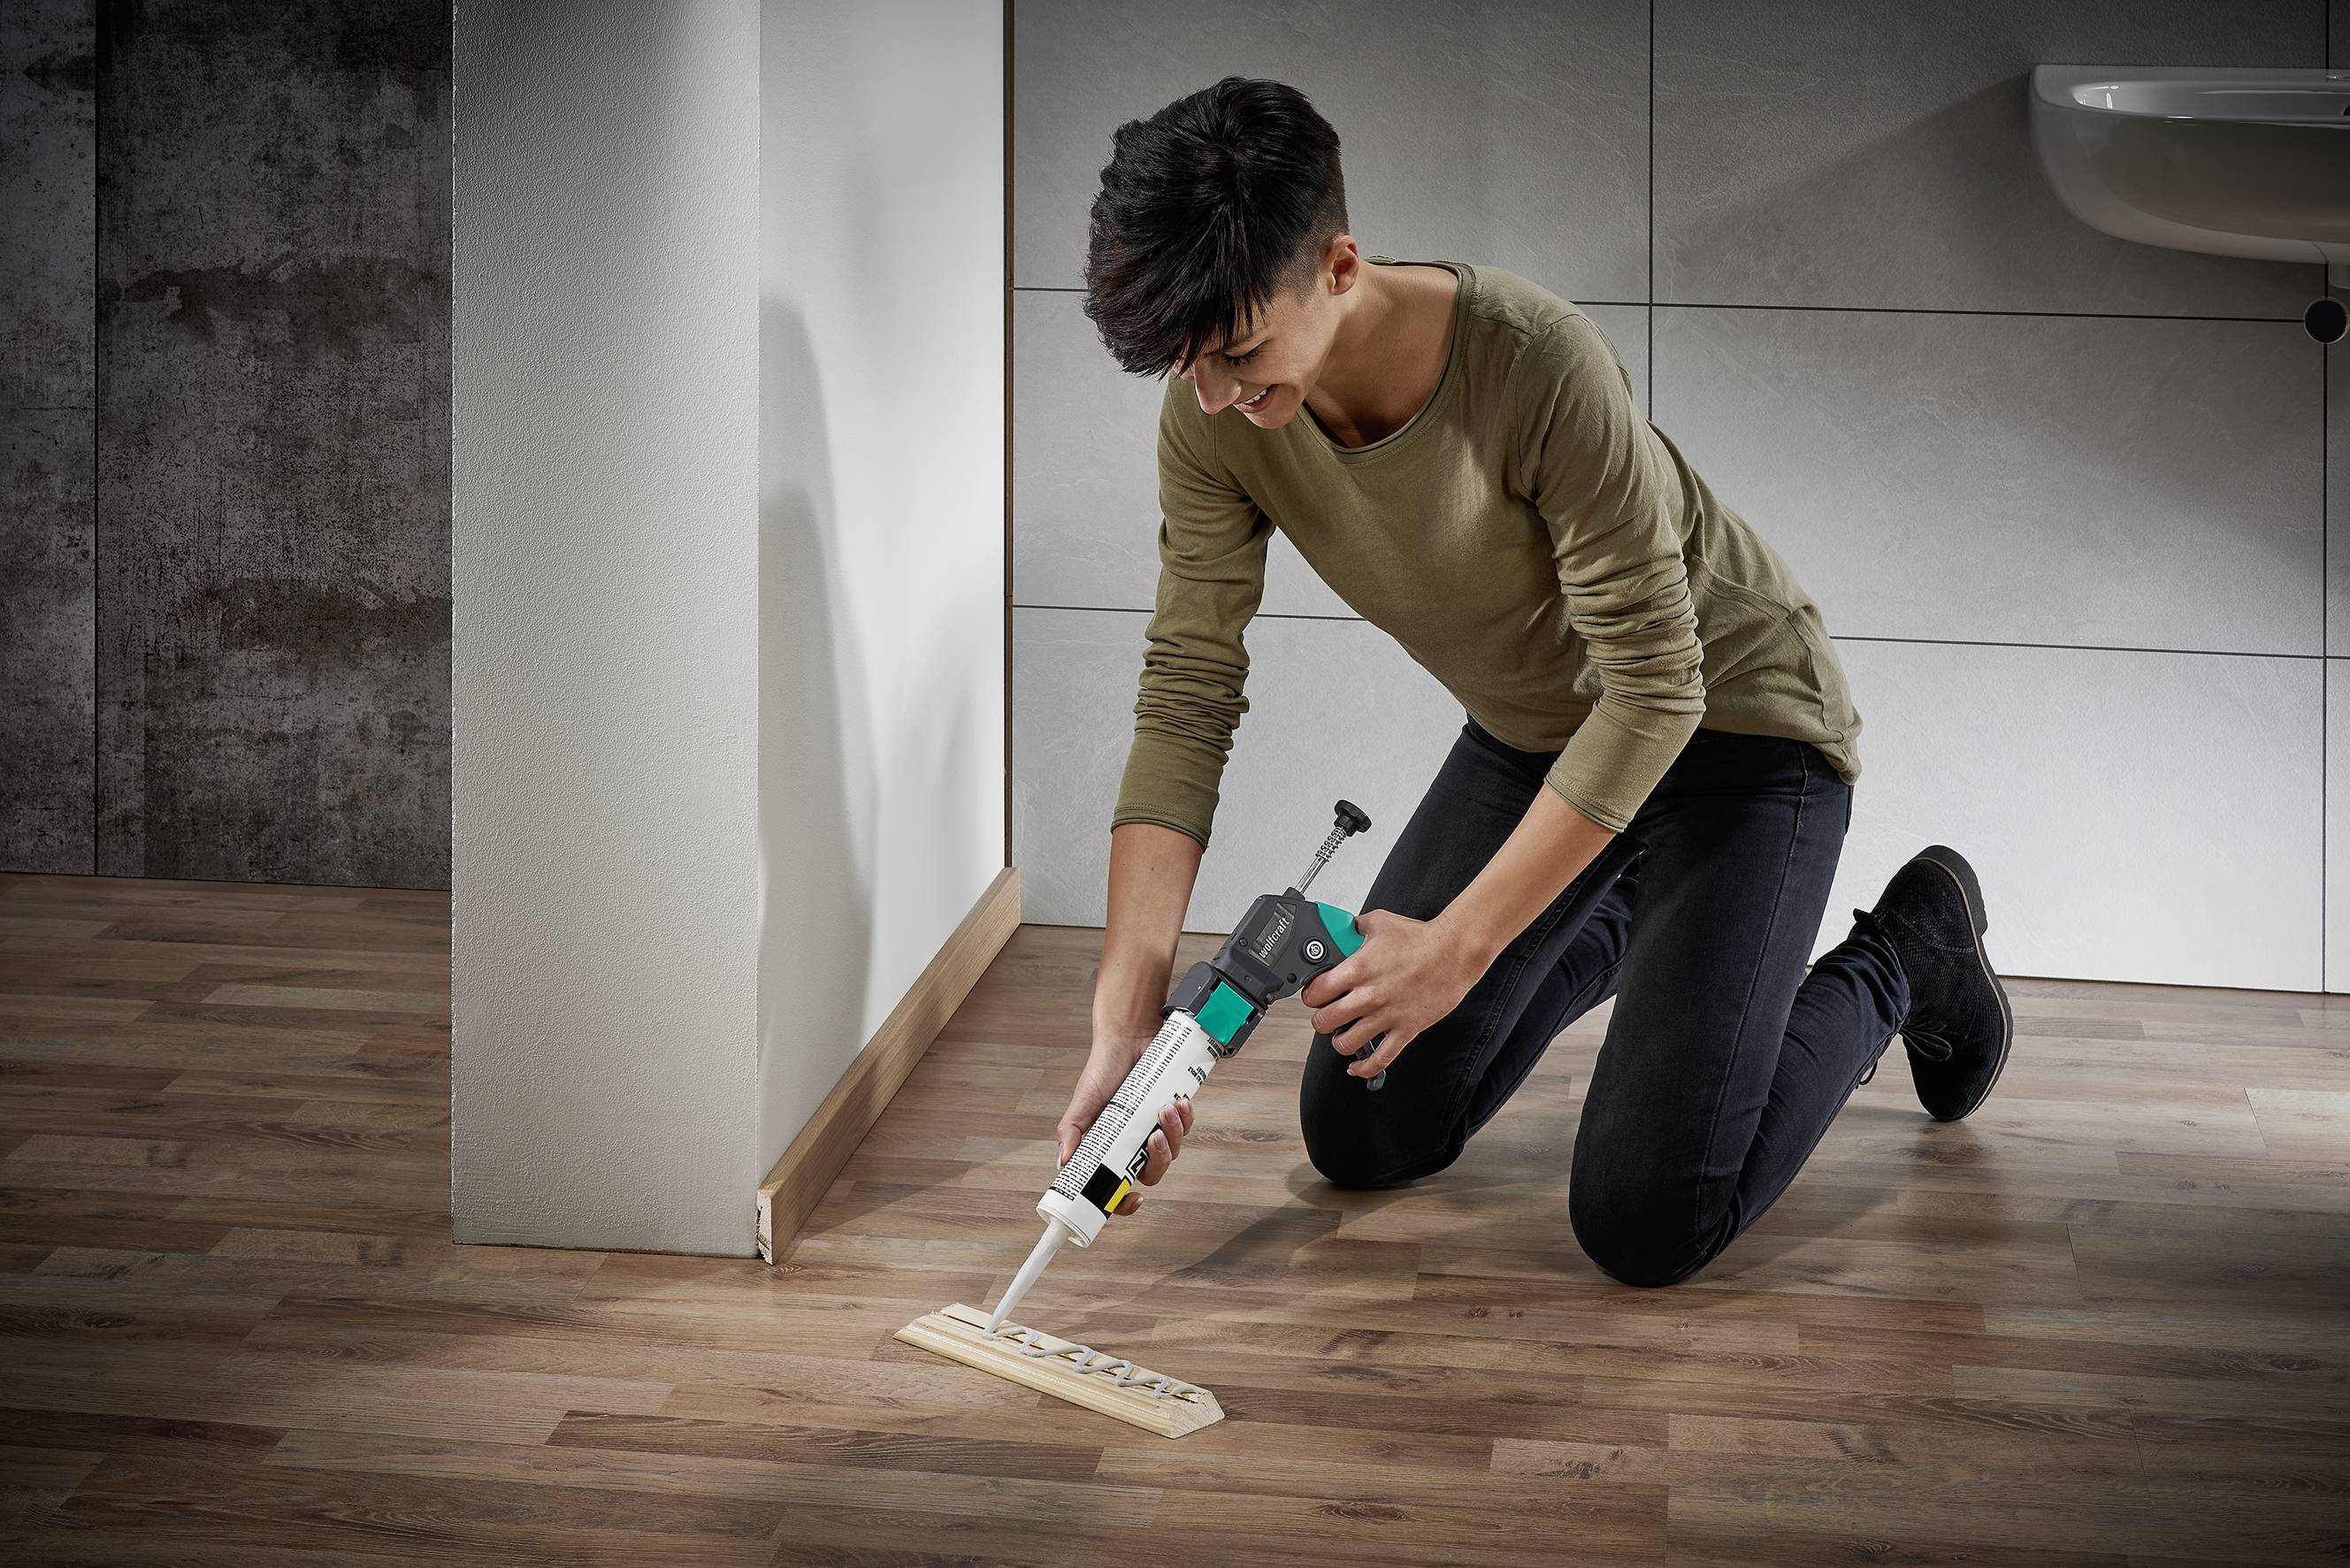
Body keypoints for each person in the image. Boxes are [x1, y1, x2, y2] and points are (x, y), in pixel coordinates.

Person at [1052, 76, 2014, 1287]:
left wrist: (1458, 947)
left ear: (1339, 265)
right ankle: (1637, 899)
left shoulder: (1531, 362)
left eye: (1237, 352)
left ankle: (1904, 953)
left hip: (1736, 737)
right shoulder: (1215, 413)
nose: (1211, 397)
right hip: (1541, 745)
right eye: (1186, 366)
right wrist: (1120, 1025)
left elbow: (1660, 688)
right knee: (1361, 1129)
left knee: (1647, 1216)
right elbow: (1187, 691)